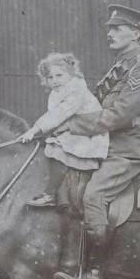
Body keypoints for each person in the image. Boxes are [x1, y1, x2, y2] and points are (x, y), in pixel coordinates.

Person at [60, 4, 140, 279]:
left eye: (117, 28)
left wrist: (70, 125)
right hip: (105, 146)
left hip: (129, 148)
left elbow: (120, 115)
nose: (110, 33)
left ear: (136, 33)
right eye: (109, 28)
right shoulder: (120, 67)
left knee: (94, 196)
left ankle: (96, 270)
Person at [17, 52, 108, 208]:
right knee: (50, 145)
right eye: (50, 78)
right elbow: (54, 115)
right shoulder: (57, 93)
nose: (55, 81)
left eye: (59, 75)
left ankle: (50, 194)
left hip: (88, 133)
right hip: (74, 130)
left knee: (56, 149)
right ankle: (63, 196)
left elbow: (60, 113)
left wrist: (34, 130)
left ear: (71, 74)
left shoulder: (77, 90)